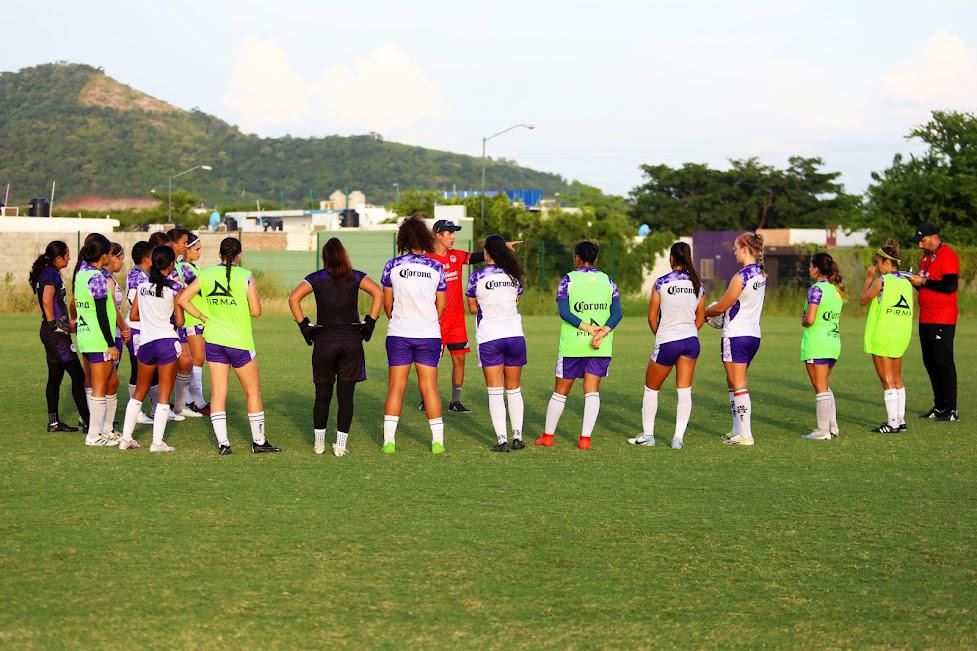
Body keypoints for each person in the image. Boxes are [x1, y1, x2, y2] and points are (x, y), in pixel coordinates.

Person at [177, 237, 281, 455]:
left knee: (218, 394)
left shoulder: (206, 274)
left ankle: (224, 444)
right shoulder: (245, 276)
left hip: (214, 340)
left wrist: (203, 317)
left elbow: (183, 299)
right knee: (252, 393)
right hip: (240, 341)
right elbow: (256, 311)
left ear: (219, 255)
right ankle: (259, 442)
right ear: (239, 255)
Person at [288, 237, 383, 456]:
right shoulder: (356, 275)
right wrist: (370, 322)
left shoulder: (317, 278)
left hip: (324, 342)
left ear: (325, 257)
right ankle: (340, 445)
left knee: (322, 395)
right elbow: (378, 294)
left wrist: (304, 326)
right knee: (346, 397)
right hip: (351, 341)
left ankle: (319, 444)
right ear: (344, 254)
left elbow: (293, 299)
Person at [419, 218, 521, 414]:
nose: (453, 237)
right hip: (436, 319)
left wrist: (501, 247)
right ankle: (427, 396)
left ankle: (455, 402)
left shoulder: (456, 256)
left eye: (454, 232)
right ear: (437, 235)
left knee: (459, 360)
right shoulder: (426, 259)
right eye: (449, 233)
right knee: (432, 361)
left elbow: (478, 257)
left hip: (457, 320)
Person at [537, 240, 622, 450]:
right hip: (600, 345)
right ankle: (585, 439)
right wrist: (602, 330)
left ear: (577, 258)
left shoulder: (568, 279)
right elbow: (617, 313)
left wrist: (587, 328)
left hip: (572, 345)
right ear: (595, 258)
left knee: (560, 392)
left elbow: (564, 312)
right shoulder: (608, 281)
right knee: (592, 391)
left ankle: (548, 437)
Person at [380, 215, 448, 454]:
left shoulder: (392, 266)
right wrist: (428, 320)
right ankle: (437, 441)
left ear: (403, 239)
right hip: (429, 334)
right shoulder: (437, 267)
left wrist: (399, 318)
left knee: (396, 388)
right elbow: (442, 305)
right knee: (429, 388)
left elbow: (387, 305)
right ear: (426, 239)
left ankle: (389, 442)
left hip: (399, 333)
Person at [628, 241, 704, 449]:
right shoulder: (698, 284)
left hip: (667, 341)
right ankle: (678, 438)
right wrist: (687, 333)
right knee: (684, 390)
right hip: (691, 341)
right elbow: (700, 317)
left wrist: (662, 335)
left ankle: (648, 435)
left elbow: (652, 318)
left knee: (651, 388)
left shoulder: (661, 283)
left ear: (671, 258)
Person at [118, 246, 184, 452]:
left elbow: (134, 315)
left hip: (145, 342)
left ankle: (125, 438)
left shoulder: (143, 286)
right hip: (166, 342)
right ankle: (157, 442)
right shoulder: (175, 288)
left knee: (139, 391)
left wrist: (150, 317)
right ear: (171, 264)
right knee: (164, 393)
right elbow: (180, 321)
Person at [465, 234, 527, 452]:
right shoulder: (514, 275)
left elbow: (472, 308)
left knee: (494, 391)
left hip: (490, 336)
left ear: (486, 253)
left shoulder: (477, 276)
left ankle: (501, 441)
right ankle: (518, 437)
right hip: (515, 336)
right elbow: (516, 299)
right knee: (514, 390)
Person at [704, 232, 767, 447]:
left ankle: (746, 435)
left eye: (735, 247)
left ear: (745, 249)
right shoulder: (760, 272)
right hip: (753, 335)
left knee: (738, 384)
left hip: (736, 335)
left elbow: (722, 306)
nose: (733, 251)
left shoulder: (741, 276)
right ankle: (737, 429)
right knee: (733, 383)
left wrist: (704, 312)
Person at [29, 241, 89, 432]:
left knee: (55, 377)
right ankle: (88, 422)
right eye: (67, 254)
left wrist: (59, 322)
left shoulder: (48, 272)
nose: (69, 258)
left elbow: (44, 303)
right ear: (58, 257)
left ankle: (54, 423)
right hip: (55, 335)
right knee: (78, 376)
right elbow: (46, 300)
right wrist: (55, 324)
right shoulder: (50, 274)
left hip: (51, 332)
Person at [72, 233, 121, 447]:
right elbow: (101, 313)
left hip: (86, 335)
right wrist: (111, 344)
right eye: (110, 253)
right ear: (103, 255)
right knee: (100, 387)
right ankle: (93, 436)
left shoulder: (81, 272)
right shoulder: (97, 277)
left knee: (108, 383)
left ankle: (105, 430)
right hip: (98, 338)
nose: (111, 256)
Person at [861, 240, 914, 434]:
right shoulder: (906, 282)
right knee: (897, 379)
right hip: (900, 334)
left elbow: (863, 299)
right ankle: (900, 420)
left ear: (886, 261)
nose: (876, 265)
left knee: (887, 381)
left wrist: (869, 278)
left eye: (878, 262)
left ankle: (892, 423)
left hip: (883, 334)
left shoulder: (881, 281)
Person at [909, 223, 959, 422]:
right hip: (926, 317)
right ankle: (939, 406)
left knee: (943, 362)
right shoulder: (926, 257)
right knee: (930, 362)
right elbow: (926, 288)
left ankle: (951, 408)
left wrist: (924, 282)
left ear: (933, 237)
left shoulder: (947, 255)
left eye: (922, 240)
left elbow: (949, 286)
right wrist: (914, 283)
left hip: (942, 318)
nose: (920, 245)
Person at [799, 252, 846, 441]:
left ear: (817, 269)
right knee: (824, 386)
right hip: (833, 342)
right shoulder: (837, 290)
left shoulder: (816, 289)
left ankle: (822, 430)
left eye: (811, 266)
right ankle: (832, 426)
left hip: (817, 343)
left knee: (820, 387)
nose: (809, 269)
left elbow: (810, 319)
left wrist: (803, 319)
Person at [174, 232, 206, 418]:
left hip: (198, 317)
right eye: (197, 248)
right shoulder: (184, 268)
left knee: (197, 360)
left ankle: (195, 401)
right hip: (191, 318)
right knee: (197, 359)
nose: (199, 252)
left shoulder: (192, 267)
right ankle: (193, 401)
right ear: (186, 250)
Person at [124, 241, 156, 425]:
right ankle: (136, 411)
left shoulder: (145, 274)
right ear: (146, 258)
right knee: (137, 369)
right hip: (137, 328)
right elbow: (134, 304)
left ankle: (151, 408)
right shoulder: (137, 277)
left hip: (145, 328)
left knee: (148, 370)